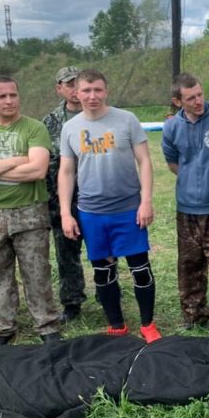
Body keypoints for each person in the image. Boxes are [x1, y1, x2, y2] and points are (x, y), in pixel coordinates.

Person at [58, 69, 160, 343]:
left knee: (140, 266)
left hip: (128, 209)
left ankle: (148, 324)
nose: (93, 96)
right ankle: (116, 325)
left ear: (106, 91)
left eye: (98, 90)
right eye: (87, 91)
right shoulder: (70, 128)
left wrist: (146, 201)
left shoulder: (126, 120)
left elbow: (146, 162)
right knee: (103, 270)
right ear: (76, 93)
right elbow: (66, 172)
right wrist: (66, 213)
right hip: (91, 213)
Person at [0, 76, 61, 350]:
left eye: (13, 95)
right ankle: (4, 328)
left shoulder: (34, 128)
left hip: (29, 212)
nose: (9, 101)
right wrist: (17, 161)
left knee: (37, 271)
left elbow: (37, 170)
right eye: (2, 96)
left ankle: (47, 325)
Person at [161, 73, 209, 337]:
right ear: (177, 101)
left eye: (200, 95)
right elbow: (172, 161)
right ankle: (193, 313)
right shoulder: (172, 127)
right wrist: (192, 181)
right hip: (187, 208)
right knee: (189, 264)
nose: (198, 101)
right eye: (191, 98)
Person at [42, 66, 86, 323]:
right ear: (59, 88)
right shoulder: (50, 121)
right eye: (68, 84)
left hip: (95, 194)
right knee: (66, 252)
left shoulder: (99, 116)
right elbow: (47, 161)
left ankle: (107, 292)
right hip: (61, 197)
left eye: (77, 83)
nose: (74, 89)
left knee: (103, 248)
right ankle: (72, 301)